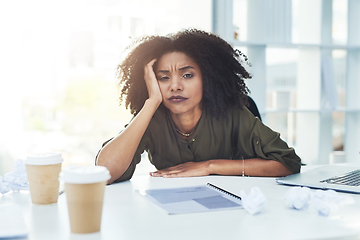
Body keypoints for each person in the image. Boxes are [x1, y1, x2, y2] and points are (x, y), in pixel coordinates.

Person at [96, 29, 301, 184]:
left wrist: (210, 166)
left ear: (208, 78)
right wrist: (151, 103)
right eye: (163, 78)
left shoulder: (232, 114)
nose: (175, 86)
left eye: (187, 75)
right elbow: (104, 173)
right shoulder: (152, 118)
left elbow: (288, 163)